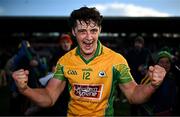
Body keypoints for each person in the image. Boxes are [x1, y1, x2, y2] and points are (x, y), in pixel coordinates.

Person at [12, 6, 166, 116]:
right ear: (73, 32)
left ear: (99, 30)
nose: (88, 37)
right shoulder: (65, 61)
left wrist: (152, 85)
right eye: (82, 31)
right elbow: (49, 97)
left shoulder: (116, 60)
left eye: (93, 30)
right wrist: (25, 89)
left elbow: (133, 95)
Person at [139, 51, 178, 115]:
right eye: (161, 62)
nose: (165, 65)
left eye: (167, 62)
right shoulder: (150, 78)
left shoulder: (172, 79)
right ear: (156, 64)